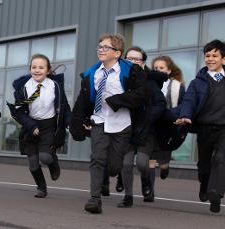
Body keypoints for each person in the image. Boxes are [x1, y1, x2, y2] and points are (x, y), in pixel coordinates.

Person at [70, 34, 146, 214]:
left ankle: (110, 175)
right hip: (99, 121)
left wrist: (116, 100)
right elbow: (82, 101)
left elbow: (141, 95)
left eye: (106, 47)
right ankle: (94, 199)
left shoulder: (132, 72)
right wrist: (76, 123)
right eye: (99, 47)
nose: (101, 50)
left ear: (117, 53)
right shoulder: (92, 74)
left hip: (122, 124)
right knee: (97, 158)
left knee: (113, 167)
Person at [7, 54, 71, 198]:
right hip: (30, 125)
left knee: (45, 158)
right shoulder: (23, 88)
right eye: (34, 67)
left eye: (41, 67)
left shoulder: (55, 86)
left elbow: (64, 107)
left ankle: (53, 163)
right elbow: (19, 112)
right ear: (30, 69)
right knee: (33, 164)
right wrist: (31, 126)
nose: (37, 70)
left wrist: (69, 122)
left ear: (48, 70)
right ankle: (41, 187)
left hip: (49, 126)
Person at [176, 39, 225, 213]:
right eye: (207, 55)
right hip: (205, 127)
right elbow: (189, 101)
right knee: (204, 165)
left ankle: (215, 194)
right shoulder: (198, 82)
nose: (210, 59)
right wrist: (186, 116)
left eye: (215, 55)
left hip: (223, 129)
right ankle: (205, 185)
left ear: (223, 59)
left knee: (220, 159)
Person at [116, 46, 167, 207]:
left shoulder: (150, 83)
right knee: (125, 163)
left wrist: (148, 116)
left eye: (137, 59)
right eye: (129, 59)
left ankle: (146, 182)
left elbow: (161, 104)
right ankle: (128, 197)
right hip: (126, 129)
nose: (133, 62)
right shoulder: (118, 80)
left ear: (143, 63)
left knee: (143, 163)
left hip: (146, 130)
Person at [152, 56, 185, 179]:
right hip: (153, 124)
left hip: (168, 125)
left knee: (164, 156)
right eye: (155, 68)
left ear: (169, 70)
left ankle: (165, 166)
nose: (158, 70)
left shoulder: (177, 86)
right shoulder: (150, 84)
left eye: (161, 67)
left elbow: (182, 104)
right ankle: (148, 189)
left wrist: (172, 115)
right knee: (152, 156)